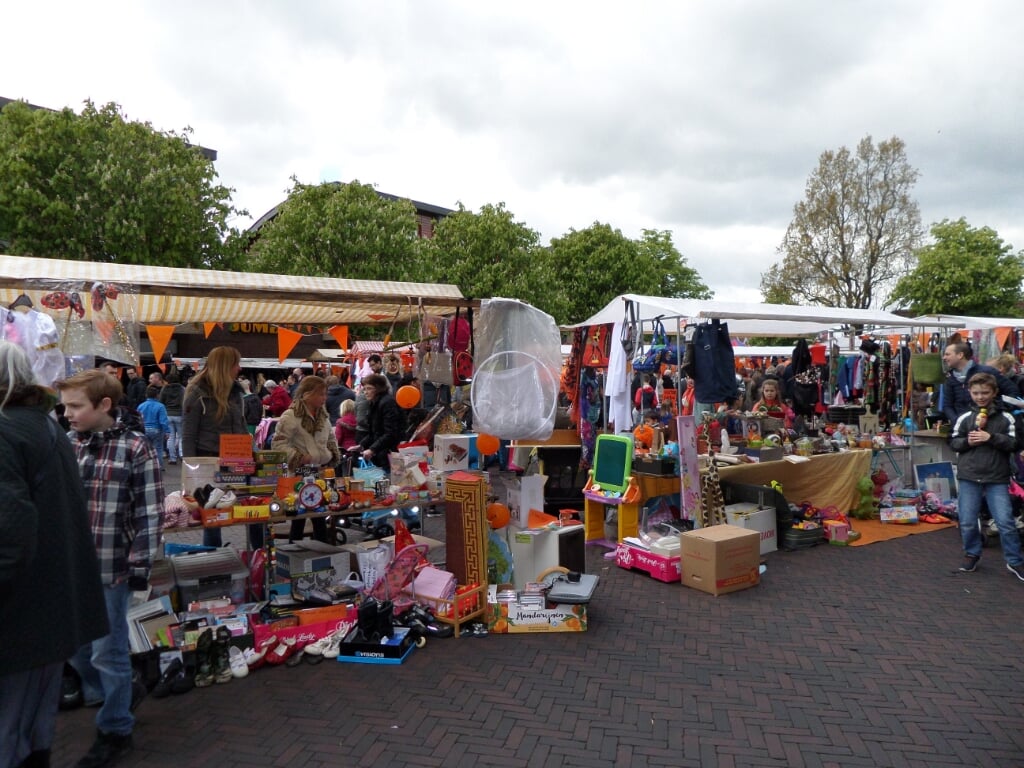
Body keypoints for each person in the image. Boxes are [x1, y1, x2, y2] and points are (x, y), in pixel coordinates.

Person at [0, 342, 108, 768]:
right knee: (30, 727)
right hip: (52, 603)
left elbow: (8, 534)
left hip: (21, 612)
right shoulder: (45, 427)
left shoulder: (9, 431)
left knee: (11, 731)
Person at [57, 368, 164, 768]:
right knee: (76, 650)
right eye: (65, 405)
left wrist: (139, 565)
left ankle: (115, 728)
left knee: (107, 650)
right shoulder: (66, 445)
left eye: (75, 406)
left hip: (112, 568)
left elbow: (149, 513)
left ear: (104, 405)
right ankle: (127, 687)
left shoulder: (136, 447)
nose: (66, 413)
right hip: (72, 567)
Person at [948, 372, 1024, 580]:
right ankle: (972, 553)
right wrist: (968, 442)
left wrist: (991, 438)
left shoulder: (1005, 417)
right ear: (969, 393)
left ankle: (1015, 561)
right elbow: (953, 441)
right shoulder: (965, 418)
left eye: (985, 393)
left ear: (994, 392)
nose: (980, 397)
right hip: (969, 475)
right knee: (968, 520)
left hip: (996, 476)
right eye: (976, 393)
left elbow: (1015, 444)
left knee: (1005, 521)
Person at [181, 347, 250, 548]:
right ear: (225, 366)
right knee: (212, 517)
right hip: (207, 462)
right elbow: (188, 435)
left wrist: (249, 452)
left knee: (250, 508)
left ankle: (256, 555)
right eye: (236, 363)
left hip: (236, 459)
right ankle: (213, 556)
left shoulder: (236, 392)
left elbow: (242, 425)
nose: (239, 368)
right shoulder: (196, 392)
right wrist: (190, 469)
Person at [272, 375, 341, 543]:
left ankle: (321, 552)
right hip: (298, 475)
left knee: (320, 516)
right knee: (299, 517)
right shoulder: (290, 416)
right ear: (307, 394)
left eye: (325, 394)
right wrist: (299, 457)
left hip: (320, 474)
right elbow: (278, 445)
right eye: (320, 394)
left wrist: (331, 455)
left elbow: (331, 439)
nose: (324, 398)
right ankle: (294, 553)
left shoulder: (323, 416)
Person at [940, 342, 1017, 426]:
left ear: (960, 355)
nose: (944, 358)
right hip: (964, 428)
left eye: (947, 354)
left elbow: (1013, 392)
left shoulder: (988, 371)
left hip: (992, 427)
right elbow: (947, 405)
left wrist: (997, 410)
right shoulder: (950, 378)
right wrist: (958, 421)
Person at [358, 373, 403, 468]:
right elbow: (374, 432)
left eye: (369, 388)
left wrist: (372, 449)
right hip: (382, 451)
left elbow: (390, 433)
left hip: (390, 452)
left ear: (378, 389)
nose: (366, 392)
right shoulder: (375, 403)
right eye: (365, 389)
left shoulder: (387, 403)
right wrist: (361, 445)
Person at [137, 385, 170, 470]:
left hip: (144, 429)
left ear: (146, 395)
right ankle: (159, 466)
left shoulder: (141, 406)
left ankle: (147, 466)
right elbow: (163, 420)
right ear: (157, 395)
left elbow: (138, 418)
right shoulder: (160, 406)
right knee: (158, 449)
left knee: (145, 449)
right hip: (157, 430)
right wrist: (167, 431)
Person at [159, 368, 186, 464]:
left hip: (168, 414)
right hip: (179, 414)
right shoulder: (182, 389)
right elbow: (185, 402)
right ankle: (182, 455)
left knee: (171, 437)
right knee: (182, 436)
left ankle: (172, 458)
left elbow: (161, 401)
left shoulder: (165, 389)